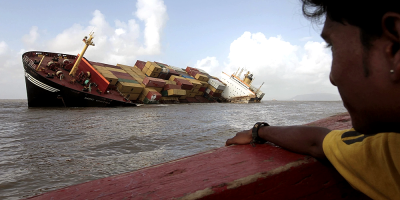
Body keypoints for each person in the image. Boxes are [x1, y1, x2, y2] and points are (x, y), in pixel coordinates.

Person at [225, 0, 400, 199]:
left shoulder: (390, 156)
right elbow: (317, 142)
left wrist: (257, 132)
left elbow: (317, 143)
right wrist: (259, 131)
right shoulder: (391, 150)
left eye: (333, 47)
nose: (332, 78)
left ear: (394, 47)